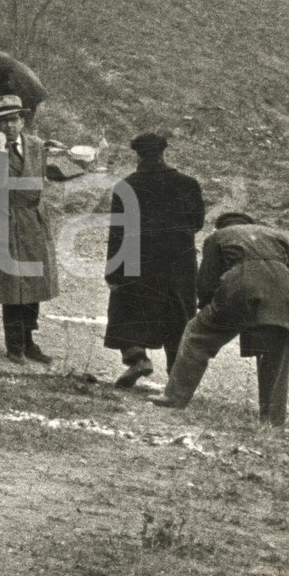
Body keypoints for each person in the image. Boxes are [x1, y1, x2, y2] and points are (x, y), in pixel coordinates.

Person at [151, 212, 289, 426]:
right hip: (283, 293)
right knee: (276, 353)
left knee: (196, 334)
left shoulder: (219, 236)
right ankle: (272, 421)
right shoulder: (275, 235)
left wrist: (207, 307)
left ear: (220, 226)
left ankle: (174, 397)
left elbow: (206, 280)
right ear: (251, 224)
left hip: (239, 287)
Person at [104, 133, 205, 388]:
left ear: (137, 155)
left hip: (138, 262)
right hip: (178, 263)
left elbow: (118, 234)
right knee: (179, 316)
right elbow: (197, 223)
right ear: (163, 153)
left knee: (126, 309)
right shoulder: (188, 184)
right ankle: (177, 376)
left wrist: (114, 273)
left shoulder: (126, 186)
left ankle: (137, 358)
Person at [0, 95, 58, 365]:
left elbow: (42, 178)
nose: (10, 125)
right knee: (11, 284)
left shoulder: (35, 145)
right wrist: (1, 149)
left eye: (14, 119)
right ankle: (14, 344)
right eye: (4, 121)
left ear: (23, 120)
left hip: (32, 219)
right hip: (5, 218)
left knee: (34, 281)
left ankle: (29, 340)